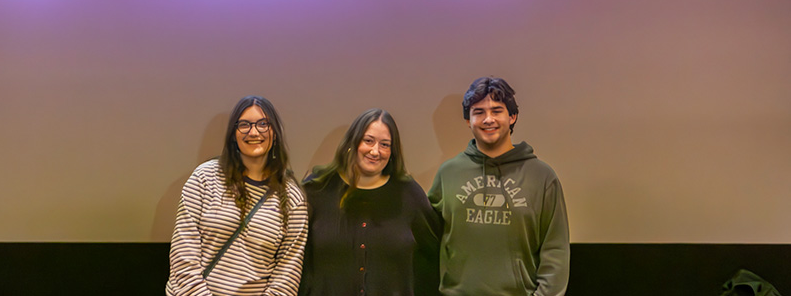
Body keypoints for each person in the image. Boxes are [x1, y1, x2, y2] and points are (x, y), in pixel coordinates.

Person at [428, 77, 570, 296]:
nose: (488, 119)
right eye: (478, 112)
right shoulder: (448, 174)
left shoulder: (542, 177)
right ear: (468, 120)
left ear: (512, 117)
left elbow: (556, 252)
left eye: (497, 111)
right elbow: (428, 243)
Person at [166, 96, 308, 296]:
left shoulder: (292, 196)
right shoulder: (204, 178)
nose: (254, 132)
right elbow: (183, 258)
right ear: (234, 134)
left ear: (274, 133)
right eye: (244, 125)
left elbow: (287, 277)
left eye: (263, 124)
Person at [299, 108, 441, 296]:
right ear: (353, 141)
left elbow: (432, 257)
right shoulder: (317, 189)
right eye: (368, 141)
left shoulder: (409, 194)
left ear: (393, 151)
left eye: (385, 144)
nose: (375, 151)